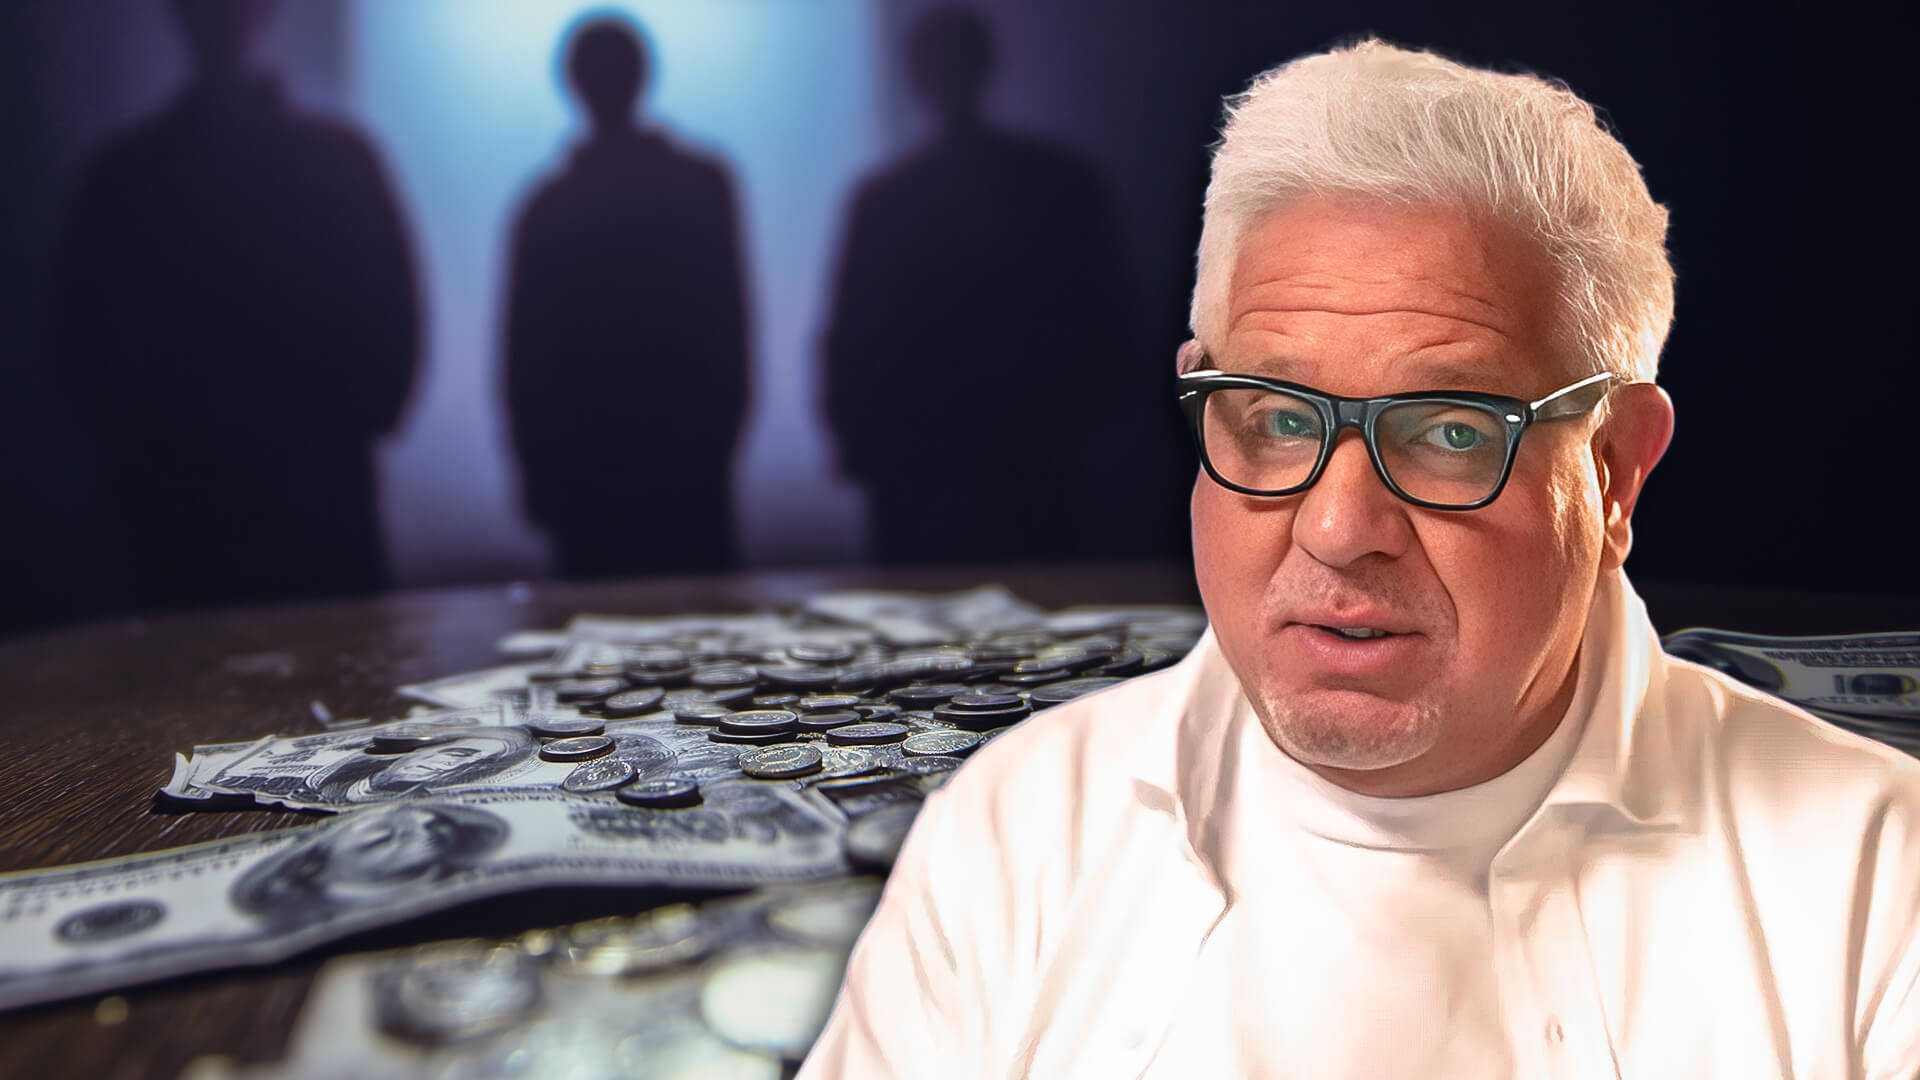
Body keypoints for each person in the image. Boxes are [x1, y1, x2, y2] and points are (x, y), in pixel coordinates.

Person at [797, 37, 1920, 1079]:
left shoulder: (1878, 882)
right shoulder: (1015, 831)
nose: (1338, 528)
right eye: (1279, 419)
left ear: (1615, 469)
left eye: (1449, 432)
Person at [50, 0, 420, 613]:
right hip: (295, 498)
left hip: (193, 512)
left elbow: (83, 351)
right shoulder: (337, 162)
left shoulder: (127, 175)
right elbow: (392, 334)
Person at [821, 6, 1168, 564]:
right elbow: (1108, 317)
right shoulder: (1059, 183)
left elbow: (852, 336)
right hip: (1021, 449)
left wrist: (855, 441)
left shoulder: (887, 199)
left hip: (951, 454)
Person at [504, 14, 751, 579]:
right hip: (686, 463)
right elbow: (730, 330)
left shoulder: (548, 207)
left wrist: (533, 470)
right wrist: (719, 441)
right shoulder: (703, 187)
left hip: (587, 472)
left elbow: (524, 358)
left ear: (571, 83)